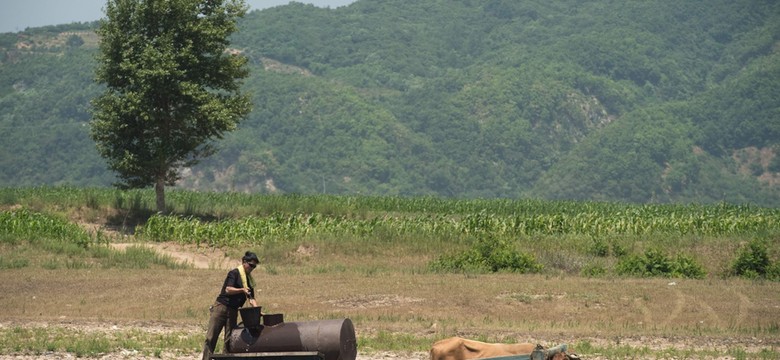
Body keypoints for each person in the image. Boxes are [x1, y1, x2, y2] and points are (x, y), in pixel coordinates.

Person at [202, 251, 259, 360]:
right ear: (244, 262)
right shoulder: (234, 273)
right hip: (221, 308)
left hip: (233, 310)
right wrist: (242, 290)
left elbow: (251, 298)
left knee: (229, 340)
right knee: (211, 337)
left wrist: (257, 310)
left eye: (254, 267)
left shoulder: (248, 281)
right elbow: (228, 289)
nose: (252, 268)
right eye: (250, 265)